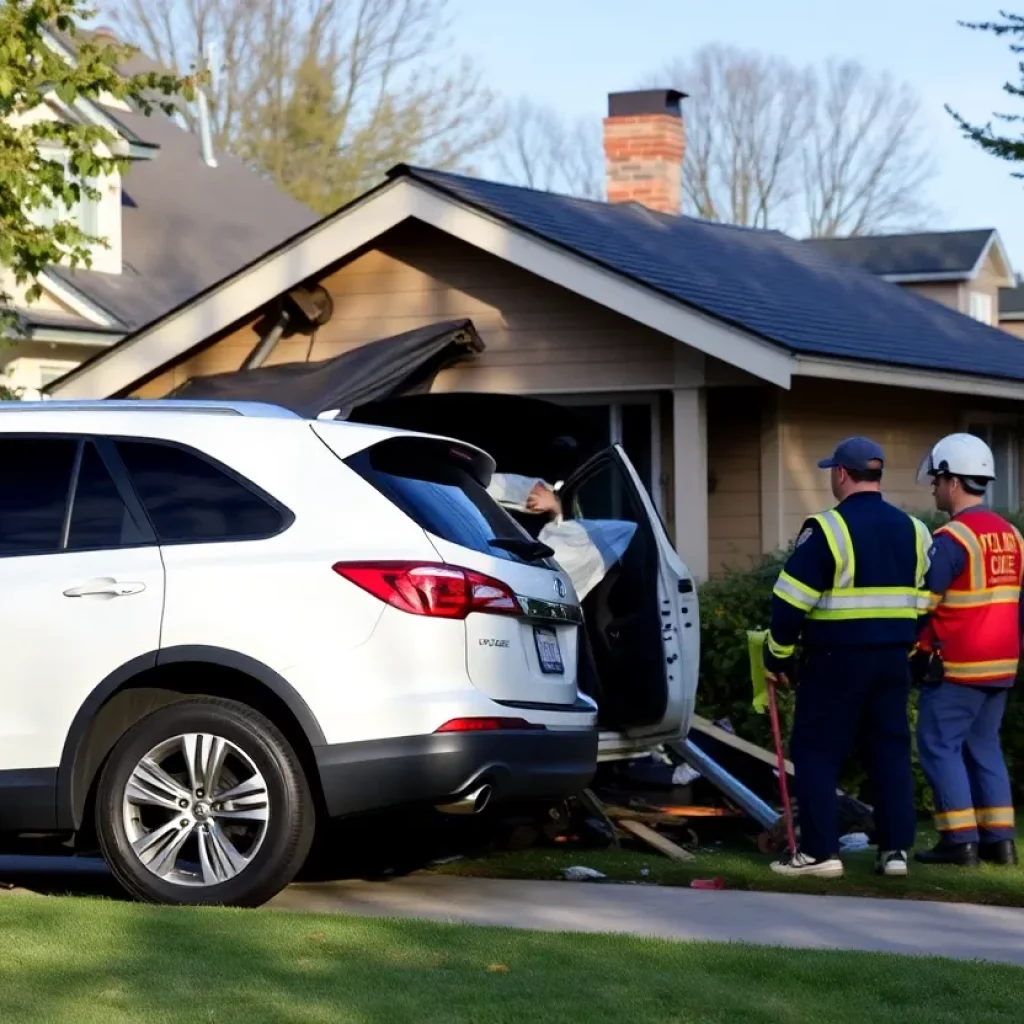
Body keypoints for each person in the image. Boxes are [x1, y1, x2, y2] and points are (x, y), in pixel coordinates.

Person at [763, 437, 933, 879]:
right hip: (894, 659)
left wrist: (776, 656)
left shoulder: (826, 530)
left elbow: (789, 603)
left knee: (817, 752)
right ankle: (894, 852)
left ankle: (821, 854)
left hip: (836, 659)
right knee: (890, 751)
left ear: (840, 473)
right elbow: (928, 600)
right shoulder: (916, 530)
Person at [913, 433, 1022, 867]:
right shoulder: (1012, 534)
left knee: (939, 746)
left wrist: (914, 647)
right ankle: (1001, 842)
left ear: (953, 481)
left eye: (937, 480)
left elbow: (924, 603)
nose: (934, 488)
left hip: (959, 665)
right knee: (985, 748)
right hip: (1002, 665)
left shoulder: (952, 538)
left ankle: (959, 841)